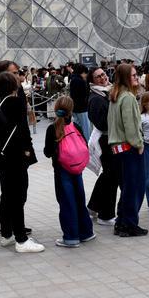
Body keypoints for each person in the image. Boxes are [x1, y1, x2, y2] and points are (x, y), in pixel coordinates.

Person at [0, 70, 43, 253]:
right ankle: (21, 239)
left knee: (6, 195)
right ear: (15, 85)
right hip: (15, 156)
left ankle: (7, 234)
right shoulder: (16, 103)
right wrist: (28, 153)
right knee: (18, 196)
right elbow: (23, 131)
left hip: (1, 156)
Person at [43, 95, 95, 247]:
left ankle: (71, 237)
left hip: (61, 170)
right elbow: (83, 144)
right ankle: (86, 232)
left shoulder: (52, 129)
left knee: (67, 202)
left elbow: (48, 152)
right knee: (79, 199)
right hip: (77, 168)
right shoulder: (76, 127)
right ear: (71, 110)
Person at [109, 63, 147, 237]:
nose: (136, 78)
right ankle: (129, 224)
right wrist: (139, 144)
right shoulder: (128, 98)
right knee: (135, 187)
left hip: (117, 148)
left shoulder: (115, 96)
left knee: (126, 188)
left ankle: (121, 222)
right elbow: (131, 126)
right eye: (133, 76)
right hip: (129, 147)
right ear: (125, 78)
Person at [86, 66, 121, 224]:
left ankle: (93, 207)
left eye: (104, 74)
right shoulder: (95, 98)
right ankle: (105, 215)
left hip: (111, 139)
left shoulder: (107, 92)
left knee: (108, 176)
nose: (103, 77)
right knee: (111, 176)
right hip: (106, 141)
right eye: (98, 76)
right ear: (93, 81)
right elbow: (100, 123)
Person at [68, 64, 91, 140]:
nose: (86, 76)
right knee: (86, 129)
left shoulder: (73, 79)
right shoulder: (80, 81)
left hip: (75, 108)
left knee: (77, 126)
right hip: (82, 109)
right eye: (85, 74)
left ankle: (79, 142)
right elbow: (85, 94)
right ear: (83, 72)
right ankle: (87, 144)